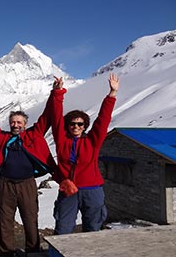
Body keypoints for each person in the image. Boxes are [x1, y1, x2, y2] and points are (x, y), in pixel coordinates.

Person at [0, 87, 58, 256]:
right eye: (13, 122)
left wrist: (55, 93)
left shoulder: (34, 133)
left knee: (30, 219)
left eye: (19, 122)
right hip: (6, 184)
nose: (15, 125)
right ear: (9, 123)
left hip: (27, 184)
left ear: (25, 124)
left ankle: (33, 251)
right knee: (5, 221)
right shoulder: (2, 137)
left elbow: (47, 116)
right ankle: (7, 252)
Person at [51, 73, 120, 235]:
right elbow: (56, 119)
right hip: (68, 190)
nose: (76, 126)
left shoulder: (92, 141)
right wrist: (58, 93)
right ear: (67, 126)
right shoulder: (62, 140)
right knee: (63, 229)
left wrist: (112, 94)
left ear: (84, 126)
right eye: (72, 124)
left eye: (80, 124)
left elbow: (103, 120)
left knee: (93, 229)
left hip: (92, 190)